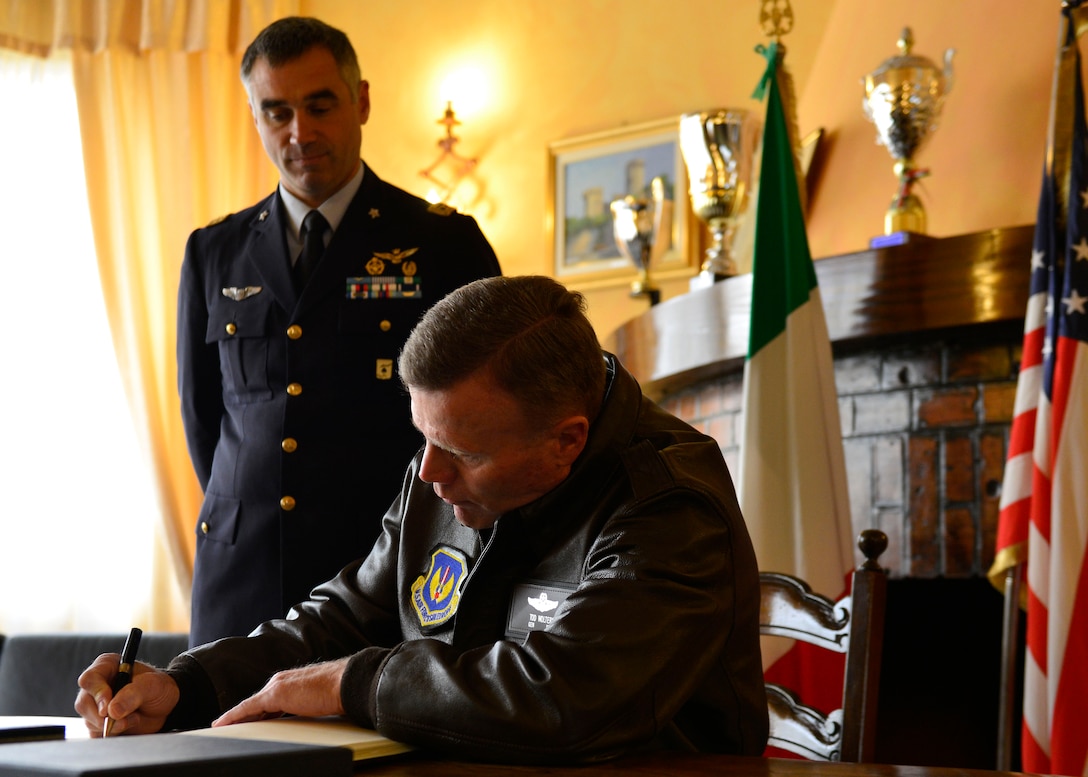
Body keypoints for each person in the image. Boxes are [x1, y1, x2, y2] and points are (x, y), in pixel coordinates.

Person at [80, 276, 768, 764]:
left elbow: (562, 701)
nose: (429, 474)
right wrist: (189, 683)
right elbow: (345, 614)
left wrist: (349, 681)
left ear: (565, 440)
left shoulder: (670, 504)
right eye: (423, 438)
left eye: (464, 451)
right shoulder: (441, 469)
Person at [177, 16, 501, 646]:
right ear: (257, 118)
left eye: (319, 104)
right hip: (242, 577)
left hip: (384, 572)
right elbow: (203, 419)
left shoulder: (441, 243)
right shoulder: (213, 251)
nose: (300, 132)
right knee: (224, 745)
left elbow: (484, 417)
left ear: (362, 100)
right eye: (276, 113)